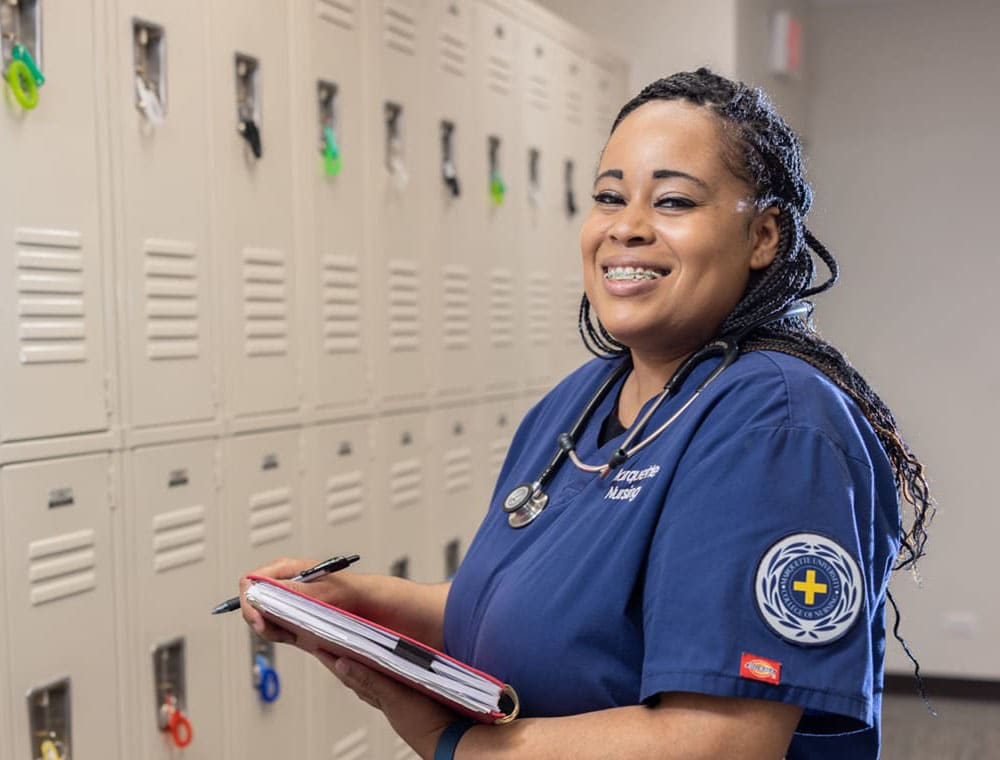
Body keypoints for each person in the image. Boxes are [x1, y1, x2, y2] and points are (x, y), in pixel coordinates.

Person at [240, 68, 933, 759]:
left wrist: (457, 747)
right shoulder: (579, 402)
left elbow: (718, 744)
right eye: (608, 197)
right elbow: (517, 612)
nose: (627, 228)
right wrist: (351, 600)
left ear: (763, 236)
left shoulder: (776, 427)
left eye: (673, 201)